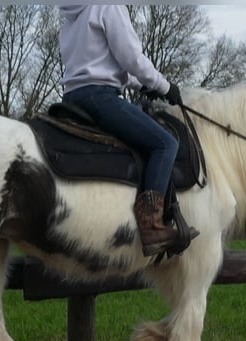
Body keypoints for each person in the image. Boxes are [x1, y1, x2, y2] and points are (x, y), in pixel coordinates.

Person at [59, 4, 191, 257]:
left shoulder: (71, 16)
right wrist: (164, 86)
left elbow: (102, 62)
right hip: (100, 97)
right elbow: (131, 57)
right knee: (165, 144)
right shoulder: (109, 5)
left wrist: (140, 83)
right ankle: (152, 225)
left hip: (72, 98)